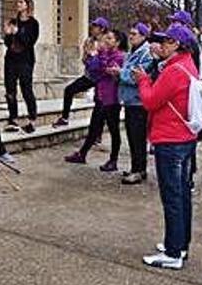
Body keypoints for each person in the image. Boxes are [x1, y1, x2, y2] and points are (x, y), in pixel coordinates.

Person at [134, 23, 199, 270]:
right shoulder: (187, 65)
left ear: (177, 45)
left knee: (172, 196)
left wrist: (143, 80)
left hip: (170, 140)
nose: (161, 45)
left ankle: (173, 253)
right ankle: (180, 244)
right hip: (183, 139)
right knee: (181, 194)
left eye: (166, 41)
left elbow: (150, 101)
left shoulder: (175, 70)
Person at [64, 29, 125, 170]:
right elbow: (93, 68)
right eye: (106, 38)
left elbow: (107, 70)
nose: (106, 41)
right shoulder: (104, 54)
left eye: (110, 38)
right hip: (100, 96)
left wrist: (101, 55)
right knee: (93, 127)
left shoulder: (119, 56)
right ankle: (82, 154)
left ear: (117, 42)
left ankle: (113, 160)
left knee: (113, 130)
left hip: (112, 99)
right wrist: (92, 56)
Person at [52, 17, 110, 128]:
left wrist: (96, 55)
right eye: (92, 26)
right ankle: (64, 118)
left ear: (102, 29)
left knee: (100, 104)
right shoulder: (89, 41)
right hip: (90, 75)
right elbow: (84, 60)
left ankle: (98, 134)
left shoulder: (107, 41)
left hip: (103, 78)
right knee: (69, 90)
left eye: (95, 26)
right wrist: (88, 56)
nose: (92, 28)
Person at [118, 23, 154, 184]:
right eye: (130, 33)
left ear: (143, 36)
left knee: (138, 137)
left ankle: (139, 170)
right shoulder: (133, 51)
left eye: (134, 34)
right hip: (130, 100)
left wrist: (120, 73)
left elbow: (137, 77)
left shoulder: (145, 53)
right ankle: (136, 167)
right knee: (132, 137)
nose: (131, 36)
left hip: (139, 101)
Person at [3, 0, 40, 133]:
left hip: (25, 61)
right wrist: (7, 34)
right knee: (10, 90)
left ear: (27, 5)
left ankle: (32, 120)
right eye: (17, 2)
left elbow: (29, 42)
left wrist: (17, 33)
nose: (18, 4)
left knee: (26, 90)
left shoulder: (33, 24)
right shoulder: (13, 21)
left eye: (21, 2)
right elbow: (8, 44)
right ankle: (13, 119)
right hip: (11, 60)